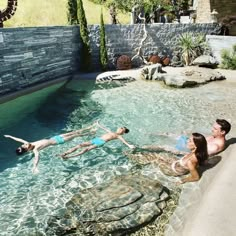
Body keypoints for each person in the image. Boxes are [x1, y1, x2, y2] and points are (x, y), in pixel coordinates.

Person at [4, 125, 96, 173]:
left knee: (73, 132)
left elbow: (19, 139)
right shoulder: (35, 149)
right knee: (75, 135)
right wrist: (35, 167)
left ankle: (88, 128)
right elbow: (36, 158)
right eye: (24, 146)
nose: (24, 144)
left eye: (23, 145)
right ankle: (90, 133)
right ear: (27, 150)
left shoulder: (28, 144)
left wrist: (10, 136)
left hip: (54, 137)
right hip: (58, 141)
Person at [129, 133, 208, 184]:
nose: (187, 141)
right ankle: (138, 152)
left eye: (190, 141)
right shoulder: (199, 152)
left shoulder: (191, 161)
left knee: (153, 159)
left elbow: (196, 177)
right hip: (177, 163)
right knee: (160, 154)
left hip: (172, 170)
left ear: (196, 145)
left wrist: (182, 180)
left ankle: (131, 157)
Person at [145, 119, 231, 157]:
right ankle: (149, 134)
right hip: (188, 142)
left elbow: (199, 155)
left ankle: (142, 148)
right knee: (168, 134)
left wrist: (178, 152)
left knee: (163, 147)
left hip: (185, 150)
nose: (212, 130)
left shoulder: (215, 146)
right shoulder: (215, 136)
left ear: (223, 132)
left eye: (215, 129)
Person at [60, 121, 135, 159]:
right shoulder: (112, 132)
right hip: (97, 139)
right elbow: (104, 128)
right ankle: (65, 153)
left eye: (122, 128)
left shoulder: (119, 136)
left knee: (86, 149)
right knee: (80, 145)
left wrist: (129, 145)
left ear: (123, 132)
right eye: (121, 127)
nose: (120, 128)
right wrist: (98, 124)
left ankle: (69, 157)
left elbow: (124, 141)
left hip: (101, 142)